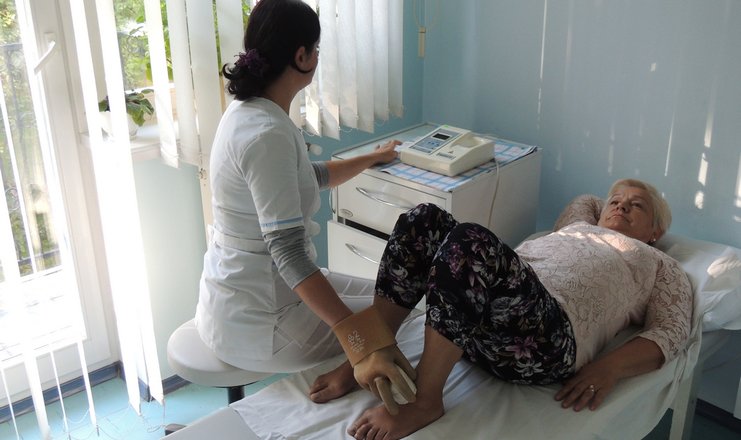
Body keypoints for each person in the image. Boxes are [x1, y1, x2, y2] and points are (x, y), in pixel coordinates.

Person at [334, 178, 693, 440]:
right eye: (615, 200)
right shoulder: (577, 227)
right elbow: (585, 200)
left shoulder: (659, 264)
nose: (621, 206)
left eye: (637, 205)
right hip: (482, 320)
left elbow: (671, 330)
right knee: (422, 218)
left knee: (471, 241)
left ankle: (425, 400)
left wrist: (608, 369)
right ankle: (370, 353)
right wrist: (609, 207)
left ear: (656, 231)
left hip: (546, 339)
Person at [194, 0, 416, 412]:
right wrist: (358, 340)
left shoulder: (248, 113)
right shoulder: (266, 134)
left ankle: (360, 350)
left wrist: (372, 158)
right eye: (316, 49)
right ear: (301, 57)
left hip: (242, 298)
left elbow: (305, 178)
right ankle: (354, 371)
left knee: (394, 297)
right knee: (406, 316)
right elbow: (289, 253)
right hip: (265, 321)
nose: (317, 57)